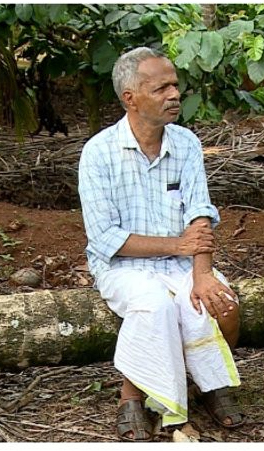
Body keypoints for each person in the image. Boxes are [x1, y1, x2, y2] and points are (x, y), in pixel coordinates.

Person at [78, 47, 242, 441]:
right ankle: (131, 396)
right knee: (155, 306)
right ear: (130, 98)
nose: (174, 94)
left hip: (182, 262)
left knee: (223, 305)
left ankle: (208, 382)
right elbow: (105, 239)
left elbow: (200, 213)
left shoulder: (185, 143)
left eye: (175, 85)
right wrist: (178, 244)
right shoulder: (98, 154)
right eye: (161, 88)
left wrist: (202, 274)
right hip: (122, 266)